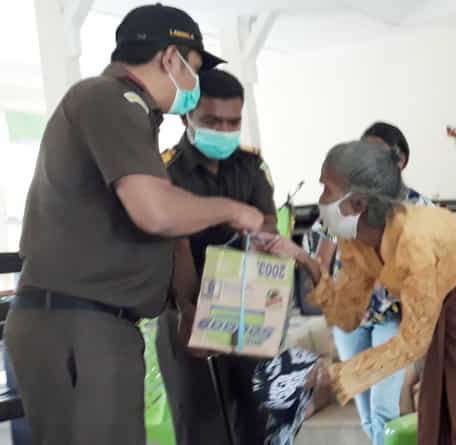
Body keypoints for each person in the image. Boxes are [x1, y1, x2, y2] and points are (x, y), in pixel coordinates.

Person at [4, 5, 266, 444]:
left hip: (97, 322)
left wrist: (187, 308)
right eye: (194, 68)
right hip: (78, 321)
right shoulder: (108, 99)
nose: (195, 85)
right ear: (170, 59)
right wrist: (233, 211)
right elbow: (156, 212)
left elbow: (166, 232)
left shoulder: (134, 116)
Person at [256, 140, 456, 445]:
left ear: (358, 203)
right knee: (441, 410)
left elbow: (412, 343)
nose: (320, 200)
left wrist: (329, 376)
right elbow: (348, 314)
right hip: (441, 302)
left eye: (326, 189)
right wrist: (308, 263)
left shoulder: (413, 241)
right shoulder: (356, 238)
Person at [156, 68, 277, 445]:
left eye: (232, 122)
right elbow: (174, 244)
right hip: (184, 306)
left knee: (258, 415)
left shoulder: (250, 166)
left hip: (246, 301)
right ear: (186, 117)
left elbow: (268, 227)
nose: (224, 130)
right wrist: (190, 308)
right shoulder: (163, 172)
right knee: (201, 421)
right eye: (212, 121)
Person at [306, 122, 432, 445]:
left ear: (399, 161)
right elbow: (322, 258)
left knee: (383, 408)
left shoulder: (418, 207)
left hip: (393, 319)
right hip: (351, 321)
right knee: (364, 411)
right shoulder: (341, 205)